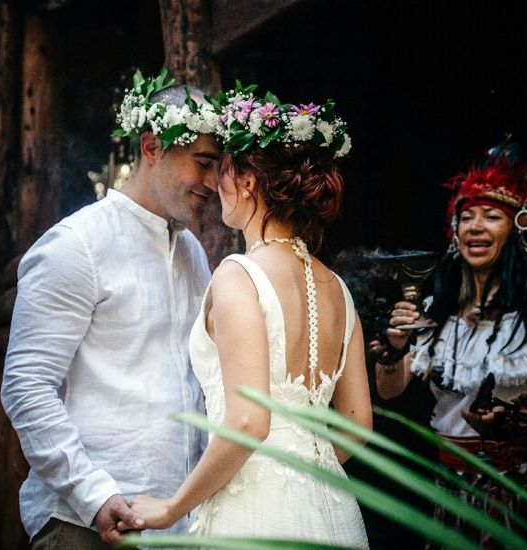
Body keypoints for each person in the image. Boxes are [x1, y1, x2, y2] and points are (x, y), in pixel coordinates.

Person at [128, 85, 370, 548]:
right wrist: (304, 467)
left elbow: (248, 422)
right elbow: (358, 425)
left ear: (248, 182)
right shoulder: (339, 289)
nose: (216, 184)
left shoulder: (239, 274)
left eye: (224, 171)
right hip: (332, 509)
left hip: (253, 509)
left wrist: (171, 508)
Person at [0, 68, 221, 548]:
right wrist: (94, 494)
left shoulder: (194, 255)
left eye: (218, 166)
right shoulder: (76, 244)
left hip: (177, 523)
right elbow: (26, 385)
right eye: (202, 162)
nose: (213, 181)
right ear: (151, 147)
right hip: (86, 525)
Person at [372, 138, 527, 544]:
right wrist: (394, 349)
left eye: (491, 216)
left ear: (519, 228)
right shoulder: (435, 309)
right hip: (452, 494)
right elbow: (389, 391)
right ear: (454, 233)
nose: (475, 227)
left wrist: (518, 423)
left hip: (523, 495)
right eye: (467, 217)